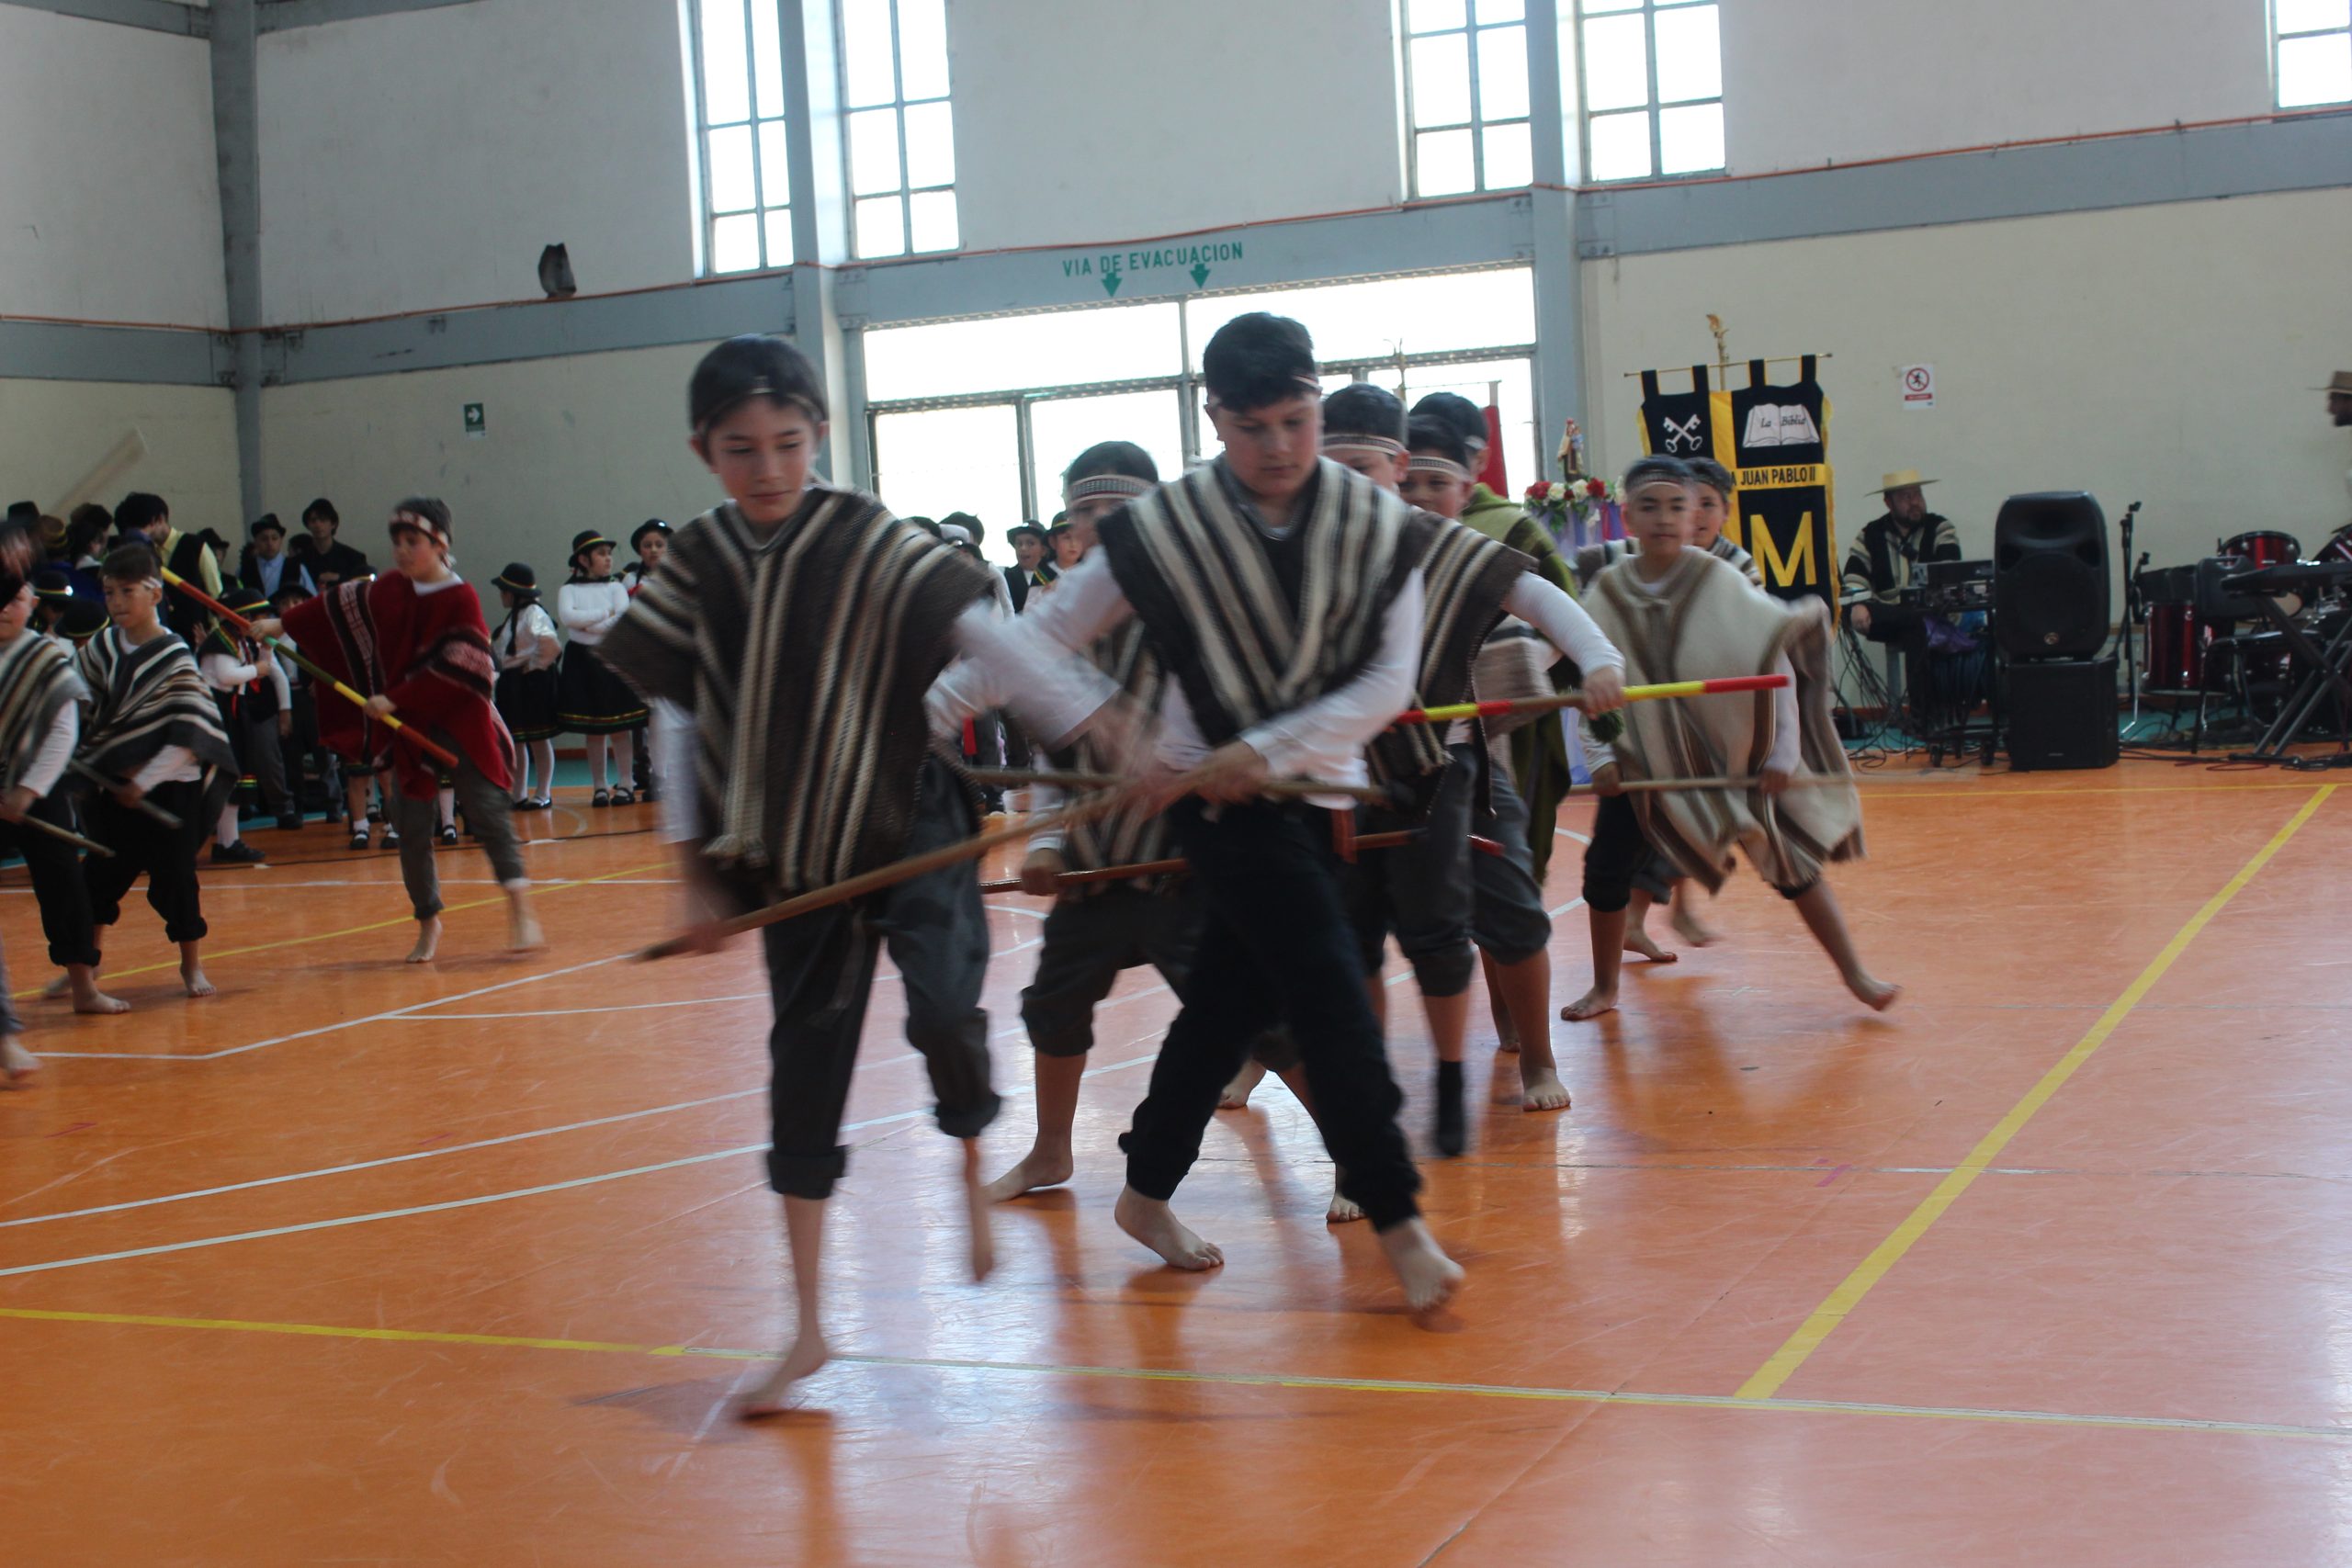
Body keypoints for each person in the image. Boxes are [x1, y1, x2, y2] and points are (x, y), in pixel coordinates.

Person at [597, 333, 1107, 1415]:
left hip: (909, 814)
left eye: (788, 443)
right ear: (703, 452)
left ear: (820, 433)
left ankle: (966, 1157)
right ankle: (807, 1329)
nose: (769, 468)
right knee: (805, 1065)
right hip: (790, 847)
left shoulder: (870, 537)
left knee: (946, 1014)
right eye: (741, 449)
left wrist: (1100, 731)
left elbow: (992, 640)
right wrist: (690, 872)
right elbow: (678, 717)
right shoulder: (700, 562)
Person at [972, 312, 1467, 1315]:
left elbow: (1387, 681)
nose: (1279, 448)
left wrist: (1268, 750)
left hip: (1312, 797)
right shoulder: (1171, 524)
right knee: (1328, 994)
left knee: (1223, 1011)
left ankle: (1145, 1188)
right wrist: (1112, 728)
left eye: (1296, 421)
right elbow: (1030, 639)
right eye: (1252, 429)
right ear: (1214, 419)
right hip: (1217, 810)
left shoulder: (1372, 521)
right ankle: (1399, 1218)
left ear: (1317, 403)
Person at [1315, 387, 1624, 1151]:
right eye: (1334, 467)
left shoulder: (1440, 543)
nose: (1350, 484)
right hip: (1333, 779)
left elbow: (1539, 596)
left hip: (1453, 763)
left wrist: (1599, 660)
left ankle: (1537, 1057)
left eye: (1364, 467)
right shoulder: (1294, 548)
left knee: (1510, 913)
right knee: (1346, 941)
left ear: (1393, 467)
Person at [1567, 457, 1898, 1022]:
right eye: (1649, 506)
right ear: (1627, 517)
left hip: (1728, 756)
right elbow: (1590, 686)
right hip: (1643, 761)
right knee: (1605, 869)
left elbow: (1775, 659)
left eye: (1677, 506)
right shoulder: (1607, 590)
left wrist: (1782, 752)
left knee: (1791, 864)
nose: (1665, 518)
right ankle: (1605, 987)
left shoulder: (1718, 579)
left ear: (1693, 514)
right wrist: (1601, 757)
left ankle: (1855, 974)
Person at [978, 442, 1204, 1204]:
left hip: (1185, 863)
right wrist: (1046, 841)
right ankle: (1050, 1153)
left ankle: (1349, 1155)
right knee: (1054, 1006)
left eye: (1119, 508)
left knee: (1252, 1015)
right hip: (1095, 865)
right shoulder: (1054, 615)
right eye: (1085, 511)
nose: (1101, 523)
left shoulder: (1189, 602)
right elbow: (1055, 753)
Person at [256, 499, 542, 964]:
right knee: (409, 825)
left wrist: (396, 697)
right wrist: (281, 623)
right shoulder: (389, 587)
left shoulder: (460, 597)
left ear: (440, 544)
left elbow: (467, 664)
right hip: (409, 726)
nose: (403, 551)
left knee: (488, 812)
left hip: (462, 721)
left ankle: (520, 906)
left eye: (414, 541)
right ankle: (428, 921)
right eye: (398, 542)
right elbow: (339, 602)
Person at [74, 541, 236, 1000]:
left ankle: (191, 966)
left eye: (127, 592)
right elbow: (78, 701)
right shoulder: (101, 647)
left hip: (170, 789)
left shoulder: (174, 655)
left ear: (155, 594)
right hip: (115, 790)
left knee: (177, 883)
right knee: (96, 882)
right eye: (109, 592)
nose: (117, 602)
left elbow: (189, 737)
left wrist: (144, 781)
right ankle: (88, 964)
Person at [0, 552, 118, 1022]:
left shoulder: (45, 658)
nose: (6, 608)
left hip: (40, 790)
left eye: (14, 599)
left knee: (64, 886)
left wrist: (26, 791)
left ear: (31, 603)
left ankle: (83, 988)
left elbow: (63, 731)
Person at [1840, 469, 1963, 728]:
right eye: (1906, 497)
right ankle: (1923, 716)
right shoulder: (1871, 534)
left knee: (1918, 624)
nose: (1915, 501)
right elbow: (1853, 579)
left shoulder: (1940, 528)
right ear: (1889, 502)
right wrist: (1858, 604)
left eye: (1917, 494)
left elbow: (1949, 573)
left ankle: (1919, 716)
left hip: (1933, 616)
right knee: (1905, 620)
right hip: (1889, 616)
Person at [198, 580, 293, 861]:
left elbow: (264, 667)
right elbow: (227, 675)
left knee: (236, 778)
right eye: (260, 617)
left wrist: (266, 649)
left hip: (234, 712)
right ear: (244, 617)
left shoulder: (241, 641)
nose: (264, 622)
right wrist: (257, 669)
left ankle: (229, 842)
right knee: (220, 777)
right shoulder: (220, 640)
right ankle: (209, 843)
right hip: (217, 713)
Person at [555, 530, 644, 805]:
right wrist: (605, 613)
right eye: (601, 554)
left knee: (620, 728)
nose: (608, 559)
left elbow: (621, 619)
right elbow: (568, 618)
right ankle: (600, 787)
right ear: (584, 559)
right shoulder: (568, 590)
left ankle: (626, 783)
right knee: (593, 730)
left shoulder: (616, 588)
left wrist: (587, 624)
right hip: (582, 662)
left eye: (609, 554)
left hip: (612, 658)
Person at [492, 563, 560, 809]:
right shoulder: (514, 616)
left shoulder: (534, 613)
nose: (501, 596)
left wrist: (532, 666)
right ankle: (518, 793)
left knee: (539, 739)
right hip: (512, 682)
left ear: (513, 593)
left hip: (531, 682)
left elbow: (551, 646)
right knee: (516, 740)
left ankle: (543, 793)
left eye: (504, 591)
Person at [116, 492, 221, 641]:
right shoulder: (143, 551)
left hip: (197, 635)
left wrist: (215, 634)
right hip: (161, 635)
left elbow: (215, 592)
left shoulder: (195, 545)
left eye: (144, 523)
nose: (142, 531)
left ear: (160, 519)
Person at [288, 498, 372, 591]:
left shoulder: (354, 558)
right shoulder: (297, 562)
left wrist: (339, 577)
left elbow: (365, 585)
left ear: (333, 524)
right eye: (313, 520)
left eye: (323, 520)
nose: (318, 524)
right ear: (308, 525)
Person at [238, 513, 315, 602]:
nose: (270, 543)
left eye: (274, 538)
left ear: (281, 540)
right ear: (255, 541)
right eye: (264, 539)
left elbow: (312, 599)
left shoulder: (297, 568)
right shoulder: (244, 569)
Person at [1003, 522, 1057, 611]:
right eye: (1019, 544)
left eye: (1030, 543)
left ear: (1044, 550)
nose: (1023, 548)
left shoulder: (1054, 577)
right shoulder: (1006, 577)